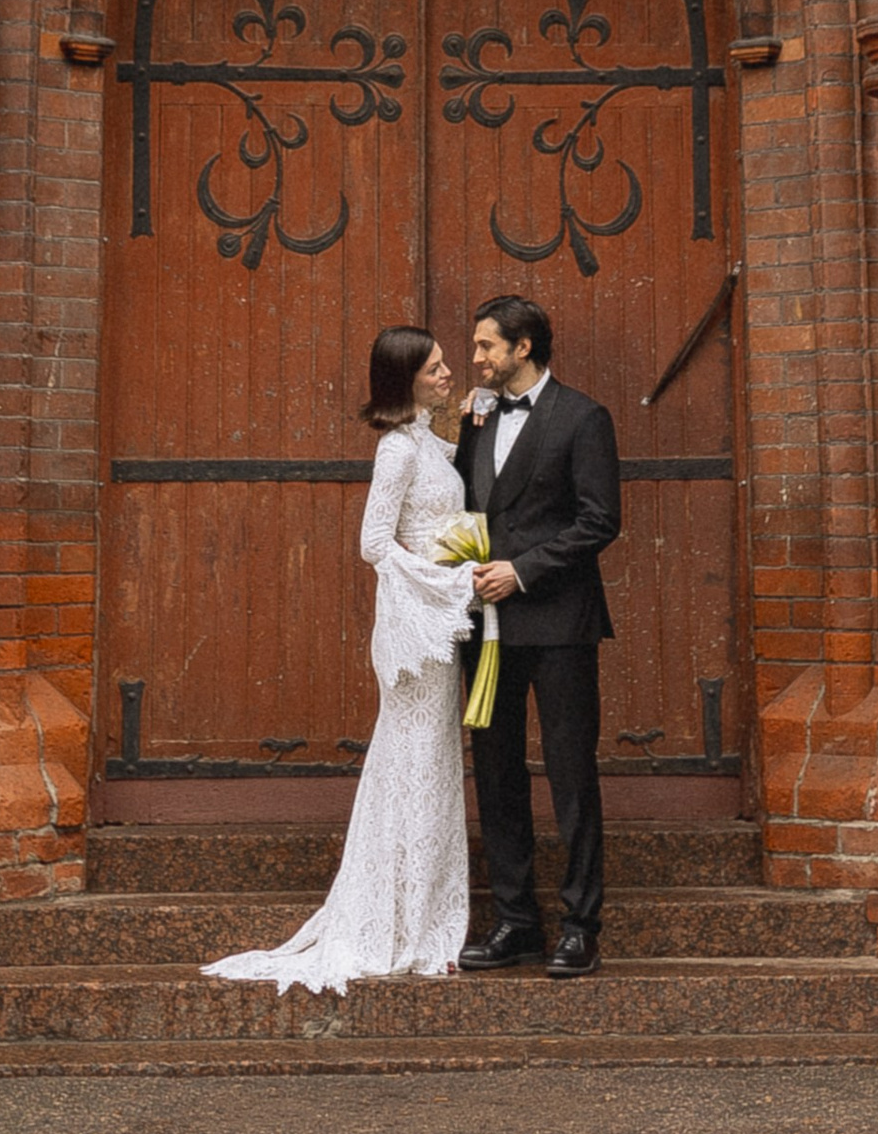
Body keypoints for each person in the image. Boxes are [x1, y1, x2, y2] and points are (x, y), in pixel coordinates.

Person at [202, 326, 478, 991]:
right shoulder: (395, 452)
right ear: (406, 378)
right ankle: (399, 922)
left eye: (445, 365)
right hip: (423, 630)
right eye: (436, 368)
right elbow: (372, 543)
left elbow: (449, 465)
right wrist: (446, 583)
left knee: (429, 766)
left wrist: (473, 420)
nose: (447, 374)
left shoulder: (424, 444)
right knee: (413, 764)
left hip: (438, 633)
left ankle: (426, 914)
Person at [455, 292, 621, 980]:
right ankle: (516, 921)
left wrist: (520, 572)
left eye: (487, 346)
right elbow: (456, 498)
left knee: (570, 773)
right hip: (485, 628)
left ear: (524, 348)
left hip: (557, 622)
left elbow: (598, 520)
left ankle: (580, 925)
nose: (476, 357)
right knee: (494, 774)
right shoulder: (477, 416)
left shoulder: (583, 418)